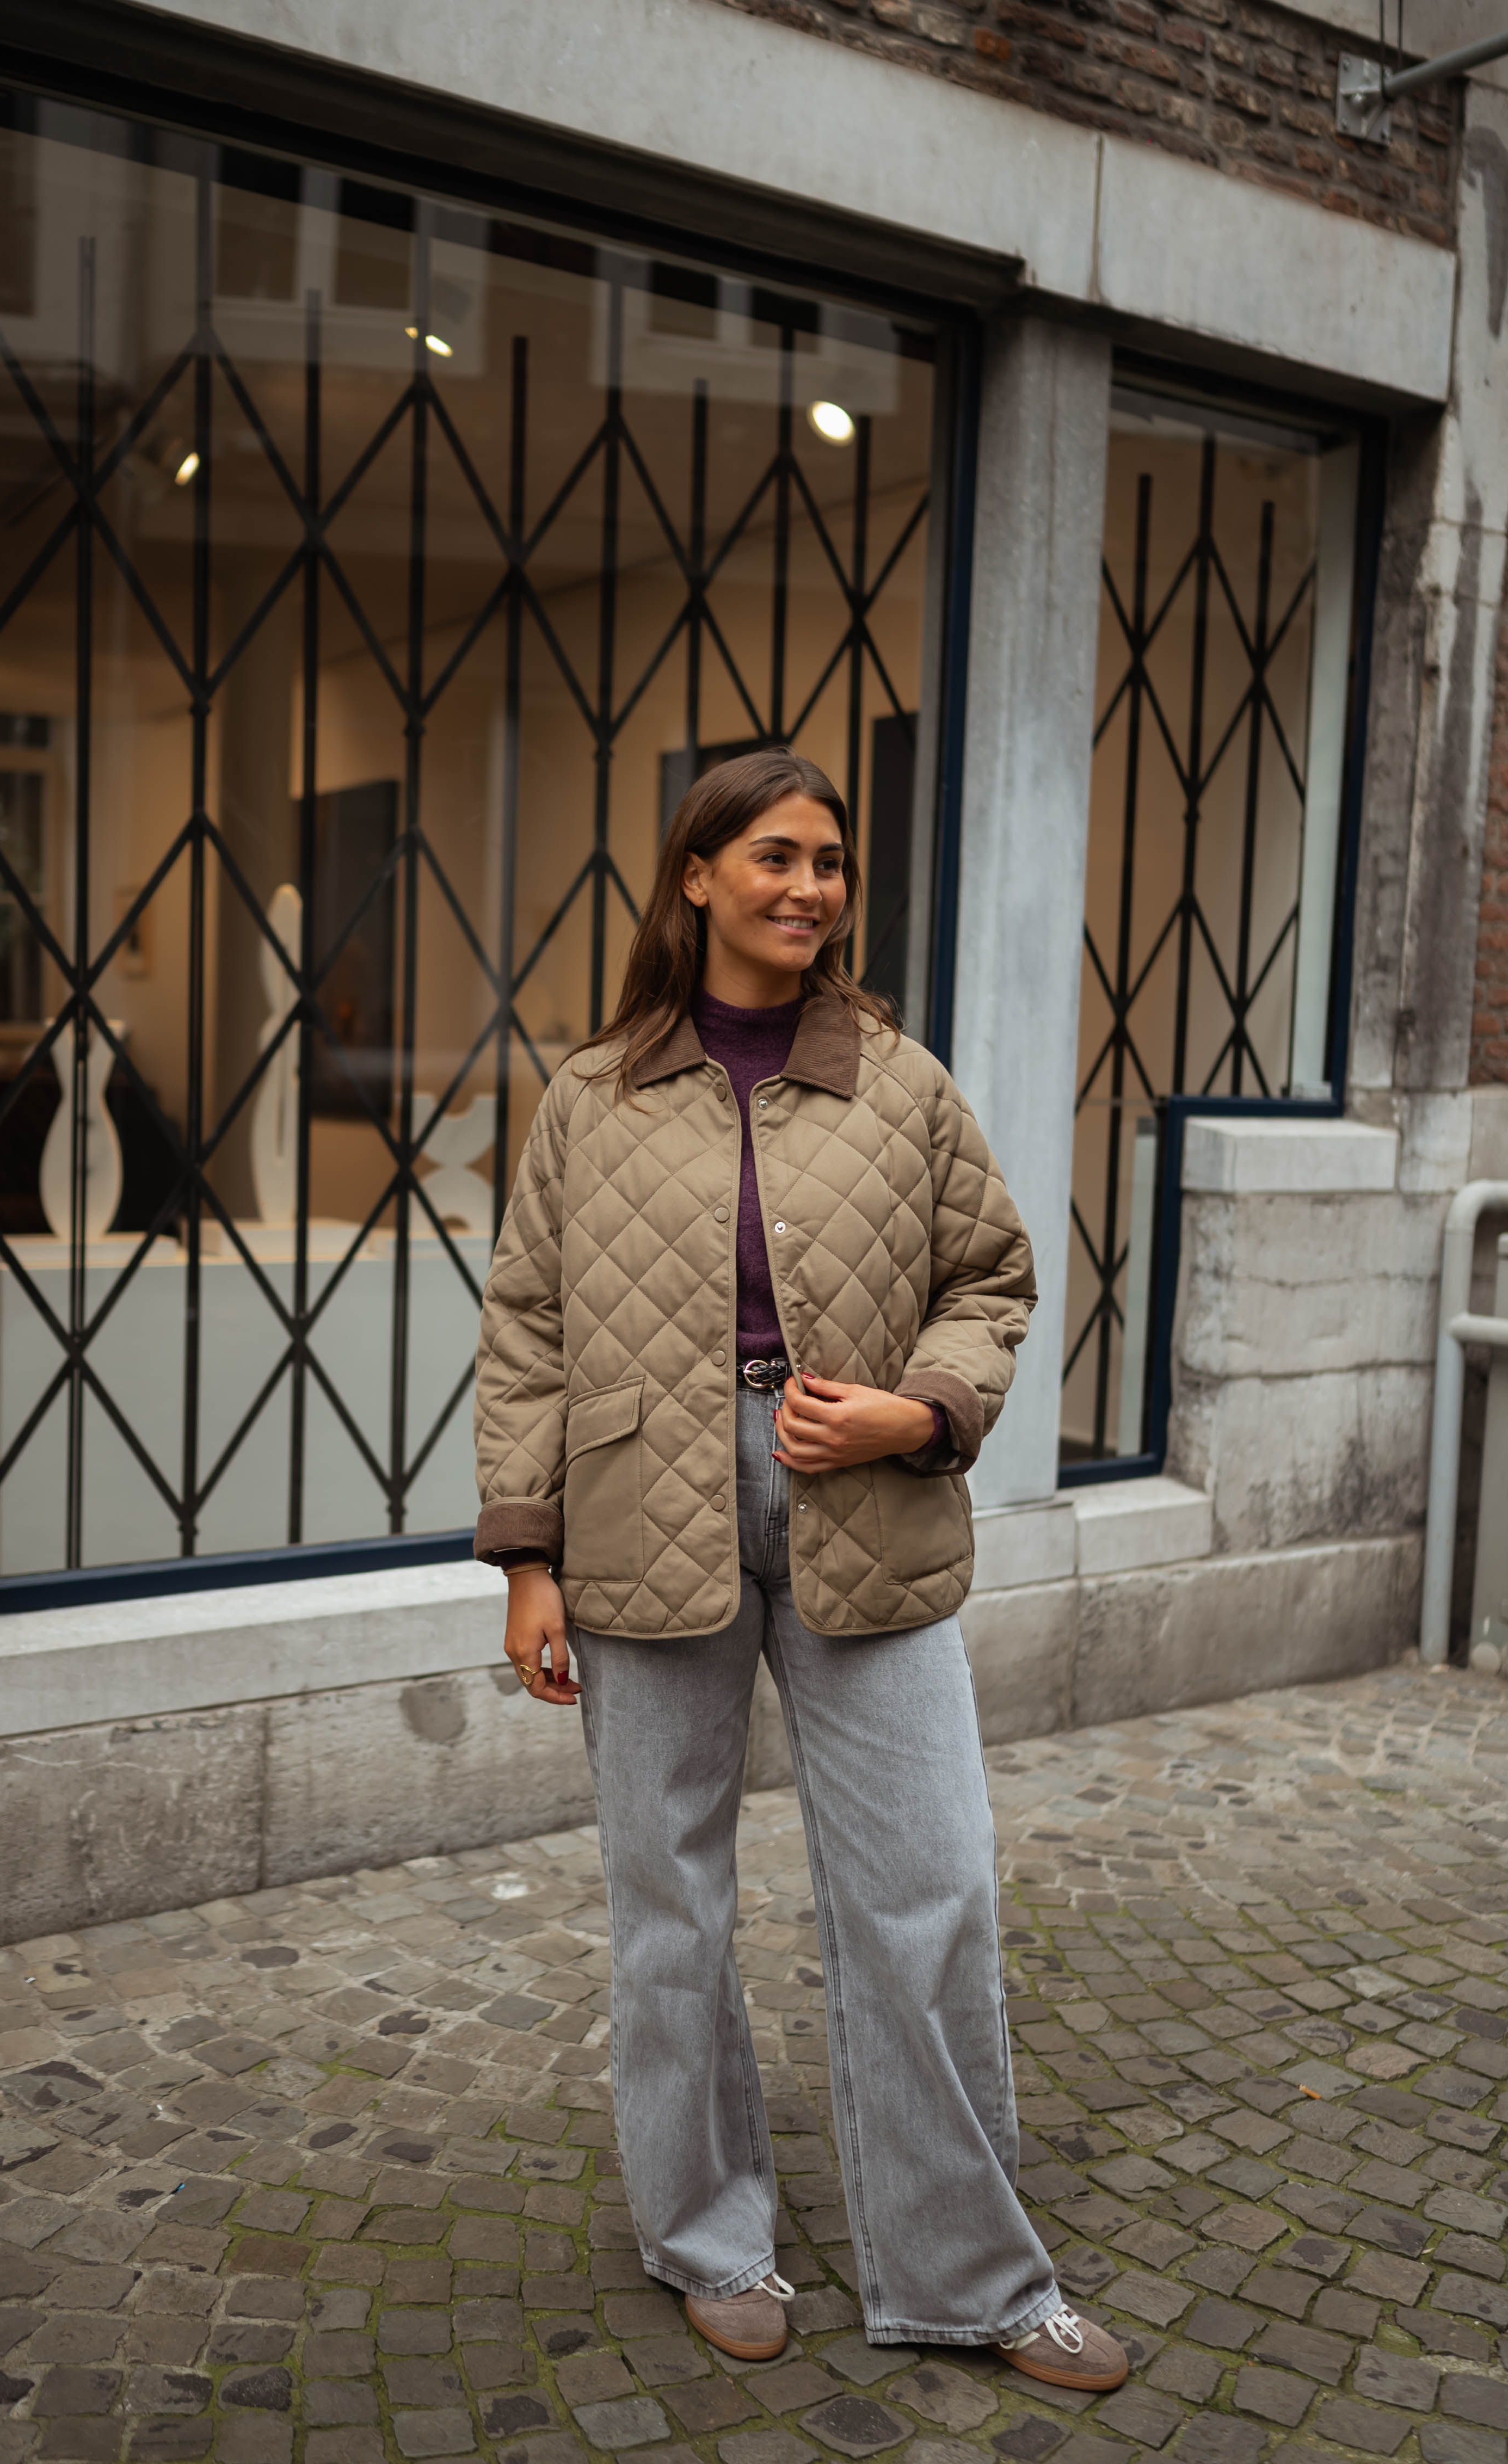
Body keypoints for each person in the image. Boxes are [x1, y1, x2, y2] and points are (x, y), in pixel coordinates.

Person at [472, 747, 1128, 2389]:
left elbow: (993, 1274)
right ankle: (708, 2236)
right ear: (695, 874)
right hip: (642, 1514)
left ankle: (975, 2277)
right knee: (669, 1911)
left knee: (933, 1893)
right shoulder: (593, 1093)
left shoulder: (897, 1079)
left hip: (869, 1507)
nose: (810, 887)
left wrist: (920, 1409)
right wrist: (525, 1557)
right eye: (774, 855)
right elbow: (529, 1329)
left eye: (830, 861)